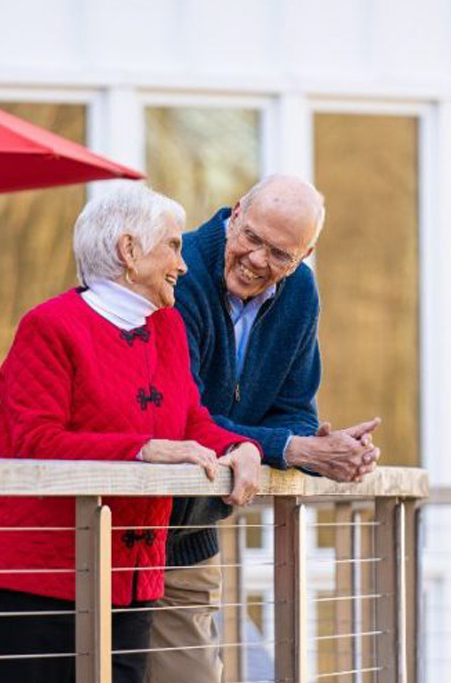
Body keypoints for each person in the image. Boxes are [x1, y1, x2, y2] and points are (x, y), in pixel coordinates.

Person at [0, 182, 262, 683]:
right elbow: (36, 442)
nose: (184, 264)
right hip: (39, 582)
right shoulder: (49, 327)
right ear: (129, 251)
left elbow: (190, 417)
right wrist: (143, 450)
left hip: (132, 580)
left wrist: (240, 446)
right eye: (172, 246)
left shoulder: (166, 326)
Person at [145, 175, 381, 683]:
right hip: (119, 527)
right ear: (234, 214)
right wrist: (295, 449)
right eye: (251, 238)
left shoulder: (299, 293)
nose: (257, 260)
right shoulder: (175, 271)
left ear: (305, 254)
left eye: (279, 254)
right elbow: (183, 415)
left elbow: (294, 409)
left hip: (189, 538)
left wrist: (316, 447)